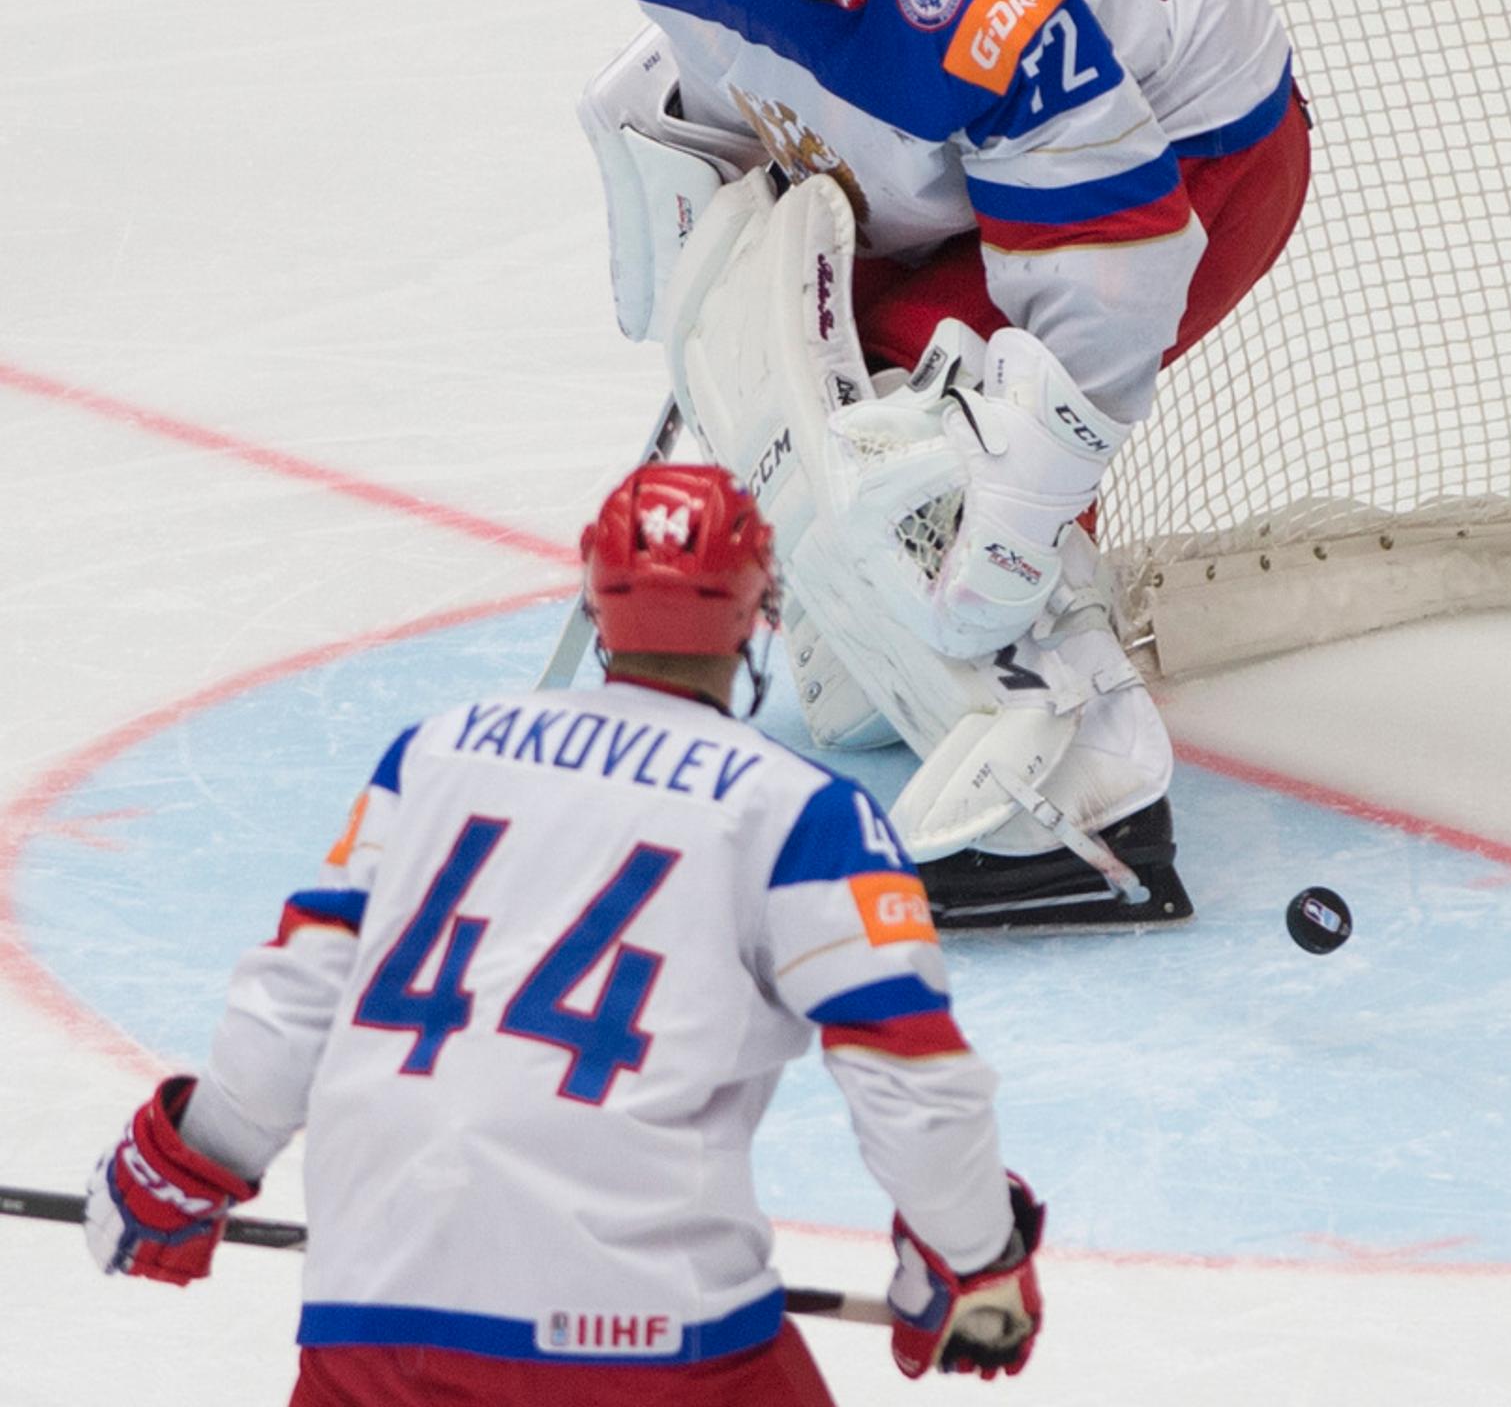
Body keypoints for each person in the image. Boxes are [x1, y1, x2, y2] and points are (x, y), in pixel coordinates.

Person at [579, 0, 1311, 927]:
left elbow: (1107, 290)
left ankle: (1089, 792)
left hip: (1195, 150)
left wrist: (1014, 521)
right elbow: (722, 92)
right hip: (1015, 154)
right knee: (806, 347)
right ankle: (896, 641)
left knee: (941, 420)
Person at [84, 464, 1046, 1403]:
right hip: (654, 1340)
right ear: (757, 614)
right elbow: (912, 1085)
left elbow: (300, 992)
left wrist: (189, 1162)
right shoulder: (801, 814)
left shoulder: (434, 754)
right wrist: (973, 1255)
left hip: (376, 1315)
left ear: (596, 600)